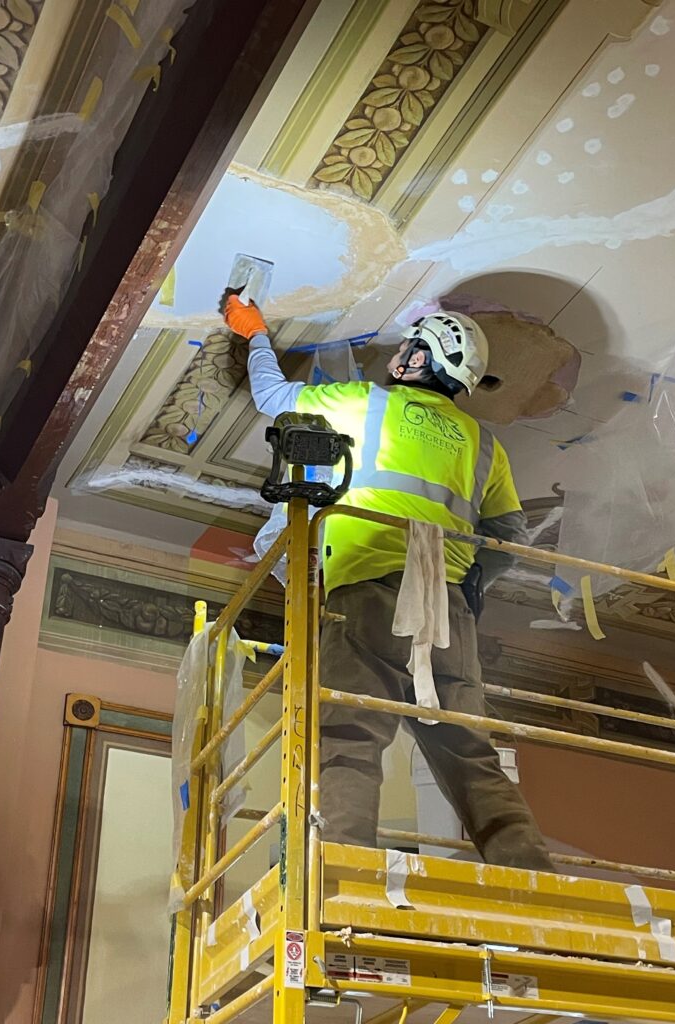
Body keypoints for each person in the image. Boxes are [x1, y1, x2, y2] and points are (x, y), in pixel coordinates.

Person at [221, 290, 553, 871]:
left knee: (349, 741)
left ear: (422, 360)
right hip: (448, 613)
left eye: (409, 346)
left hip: (369, 594)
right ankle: (532, 883)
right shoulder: (484, 447)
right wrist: (472, 588)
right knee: (471, 756)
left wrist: (252, 331)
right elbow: (508, 534)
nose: (399, 352)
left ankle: (342, 882)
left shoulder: (365, 404)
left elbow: (273, 397)